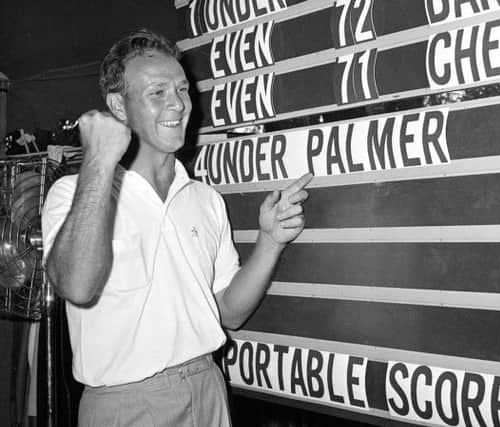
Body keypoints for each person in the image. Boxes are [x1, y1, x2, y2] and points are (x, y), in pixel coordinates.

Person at [41, 28, 312, 426]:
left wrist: (270, 241)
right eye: (158, 93)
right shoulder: (75, 194)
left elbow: (229, 313)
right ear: (118, 106)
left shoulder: (204, 198)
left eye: (182, 90)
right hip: (127, 403)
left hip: (208, 387)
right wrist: (97, 162)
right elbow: (76, 286)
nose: (178, 104)